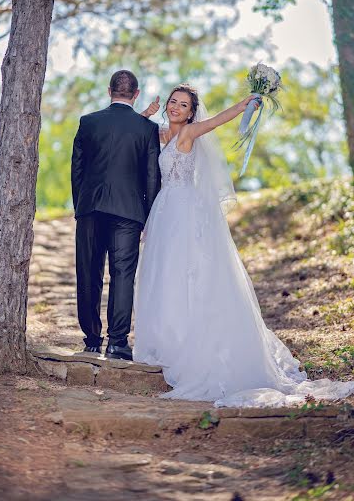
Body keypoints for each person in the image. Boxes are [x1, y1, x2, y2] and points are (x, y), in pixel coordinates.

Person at [133, 83, 354, 407]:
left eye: (183, 104)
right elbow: (133, 132)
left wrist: (246, 103)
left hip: (184, 211)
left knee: (189, 274)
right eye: (173, 102)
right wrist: (146, 115)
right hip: (165, 210)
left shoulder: (190, 133)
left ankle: (193, 346)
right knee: (164, 276)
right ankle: (168, 343)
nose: (177, 107)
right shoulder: (164, 135)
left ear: (192, 111)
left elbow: (219, 120)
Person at [71, 70, 161, 360]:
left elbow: (77, 171)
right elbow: (151, 177)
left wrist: (80, 207)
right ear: (136, 95)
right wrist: (149, 217)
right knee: (123, 275)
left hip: (91, 210)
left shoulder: (88, 122)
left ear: (109, 91)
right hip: (129, 212)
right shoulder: (146, 129)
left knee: (88, 273)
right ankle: (118, 343)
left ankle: (92, 339)